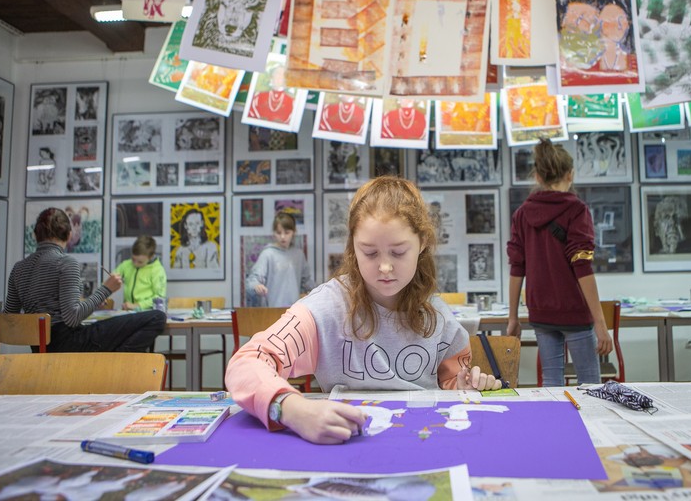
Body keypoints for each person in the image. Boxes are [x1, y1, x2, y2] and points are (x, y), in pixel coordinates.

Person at [226, 176, 501, 444]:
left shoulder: (437, 317)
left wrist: (464, 386)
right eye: (369, 253)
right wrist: (292, 409)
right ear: (353, 248)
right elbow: (246, 364)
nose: (384, 267)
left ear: (423, 244)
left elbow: (450, 384)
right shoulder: (327, 309)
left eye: (398, 252)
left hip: (425, 440)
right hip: (348, 440)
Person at [507, 139, 612, 386]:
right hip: (574, 311)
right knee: (589, 383)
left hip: (540, 311)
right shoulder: (576, 210)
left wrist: (513, 317)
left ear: (538, 176)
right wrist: (600, 323)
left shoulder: (522, 213)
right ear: (570, 174)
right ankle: (591, 426)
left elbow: (516, 267)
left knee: (551, 382)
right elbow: (582, 267)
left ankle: (555, 425)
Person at [5, 208, 166, 352]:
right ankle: (117, 363)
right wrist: (106, 290)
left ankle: (116, 361)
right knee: (157, 317)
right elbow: (73, 318)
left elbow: (10, 319)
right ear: (69, 235)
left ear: (35, 235)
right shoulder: (66, 263)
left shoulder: (18, 268)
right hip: (68, 344)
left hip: (39, 347)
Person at [245, 211, 315, 307]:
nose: (282, 237)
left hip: (294, 310)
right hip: (271, 309)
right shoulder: (268, 254)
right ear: (274, 233)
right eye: (278, 233)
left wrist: (318, 290)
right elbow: (253, 280)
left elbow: (307, 282)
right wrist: (256, 286)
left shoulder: (299, 255)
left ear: (294, 232)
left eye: (287, 233)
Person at [113, 235, 167, 311]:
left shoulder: (157, 270)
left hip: (147, 313)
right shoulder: (126, 264)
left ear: (151, 257)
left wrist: (137, 305)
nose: (135, 264)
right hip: (128, 312)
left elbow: (159, 297)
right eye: (133, 259)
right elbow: (112, 279)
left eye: (140, 262)